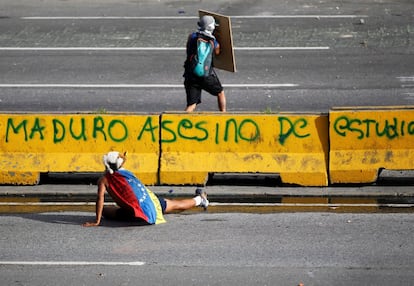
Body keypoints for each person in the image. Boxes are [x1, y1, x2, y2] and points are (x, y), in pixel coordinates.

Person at [83, 151, 209, 227]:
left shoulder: (103, 180)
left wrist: (97, 220)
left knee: (105, 211)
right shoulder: (126, 172)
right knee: (175, 204)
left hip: (137, 213)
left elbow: (100, 199)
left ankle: (199, 200)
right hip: (151, 202)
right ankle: (199, 200)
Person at [183, 15, 227, 112]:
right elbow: (217, 53)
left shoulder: (192, 37)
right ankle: (224, 114)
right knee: (220, 92)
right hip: (205, 74)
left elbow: (188, 51)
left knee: (192, 104)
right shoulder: (213, 41)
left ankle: (181, 122)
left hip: (190, 73)